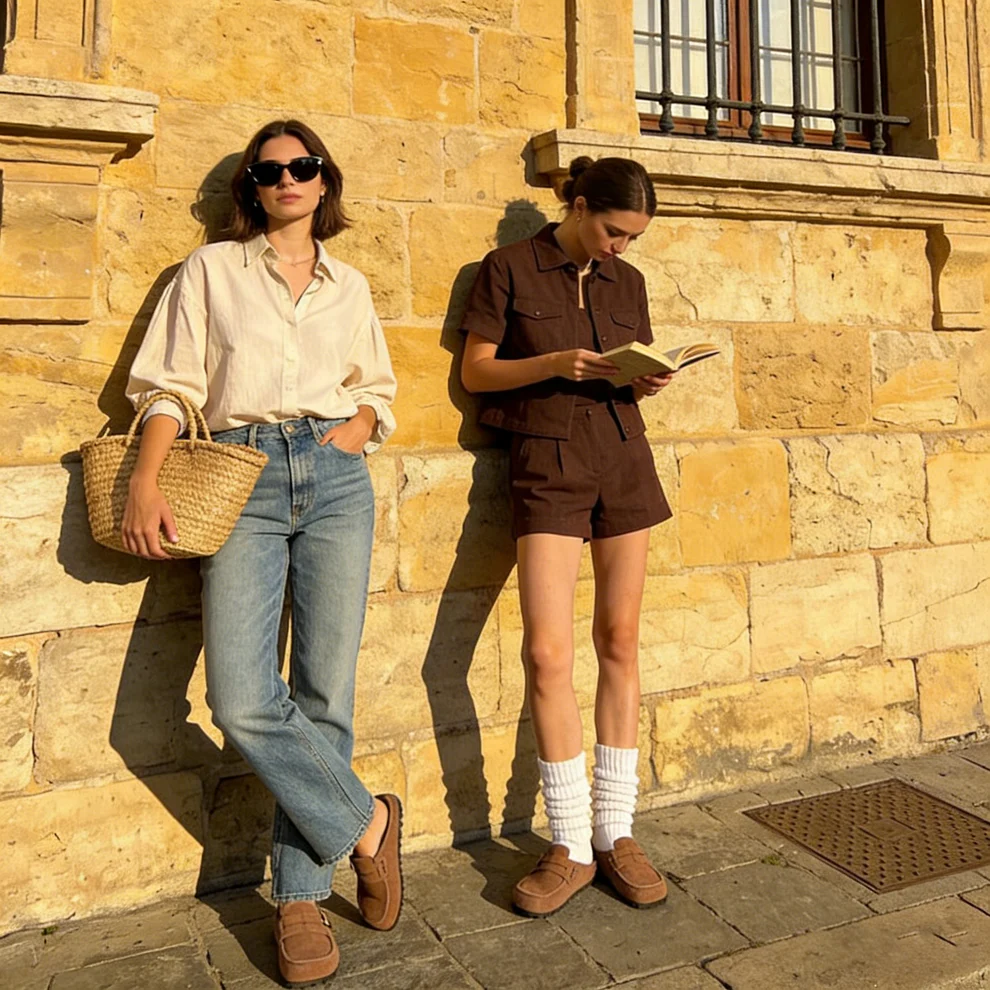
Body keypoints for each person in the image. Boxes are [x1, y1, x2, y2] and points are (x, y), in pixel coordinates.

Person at [123, 119, 400, 985]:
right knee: (242, 697)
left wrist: (352, 432)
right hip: (238, 476)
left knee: (325, 690)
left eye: (304, 165)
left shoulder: (348, 285)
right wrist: (145, 476)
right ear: (252, 184)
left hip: (333, 472)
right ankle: (369, 825)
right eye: (271, 168)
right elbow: (171, 383)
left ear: (325, 182)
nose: (288, 177)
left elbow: (377, 391)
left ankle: (299, 899)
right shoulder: (209, 271)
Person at [460, 156, 674, 917]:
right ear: (578, 205)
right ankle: (570, 844)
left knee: (620, 638)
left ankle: (617, 831)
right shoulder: (508, 267)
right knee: (545, 651)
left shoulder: (630, 284)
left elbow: (631, 363)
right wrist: (551, 363)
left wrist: (644, 377)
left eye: (633, 238)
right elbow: (477, 372)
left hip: (623, 457)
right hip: (545, 460)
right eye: (614, 230)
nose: (621, 247)